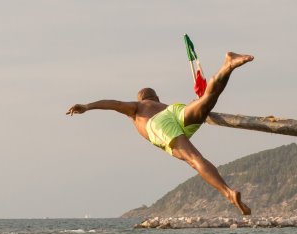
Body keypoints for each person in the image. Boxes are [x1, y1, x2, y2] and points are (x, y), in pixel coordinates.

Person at [67, 52, 254, 216]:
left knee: (194, 159)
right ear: (156, 98)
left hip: (159, 124)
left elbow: (114, 104)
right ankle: (227, 65)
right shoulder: (163, 104)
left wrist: (87, 106)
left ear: (141, 99)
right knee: (207, 98)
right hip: (176, 110)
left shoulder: (138, 107)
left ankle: (228, 193)